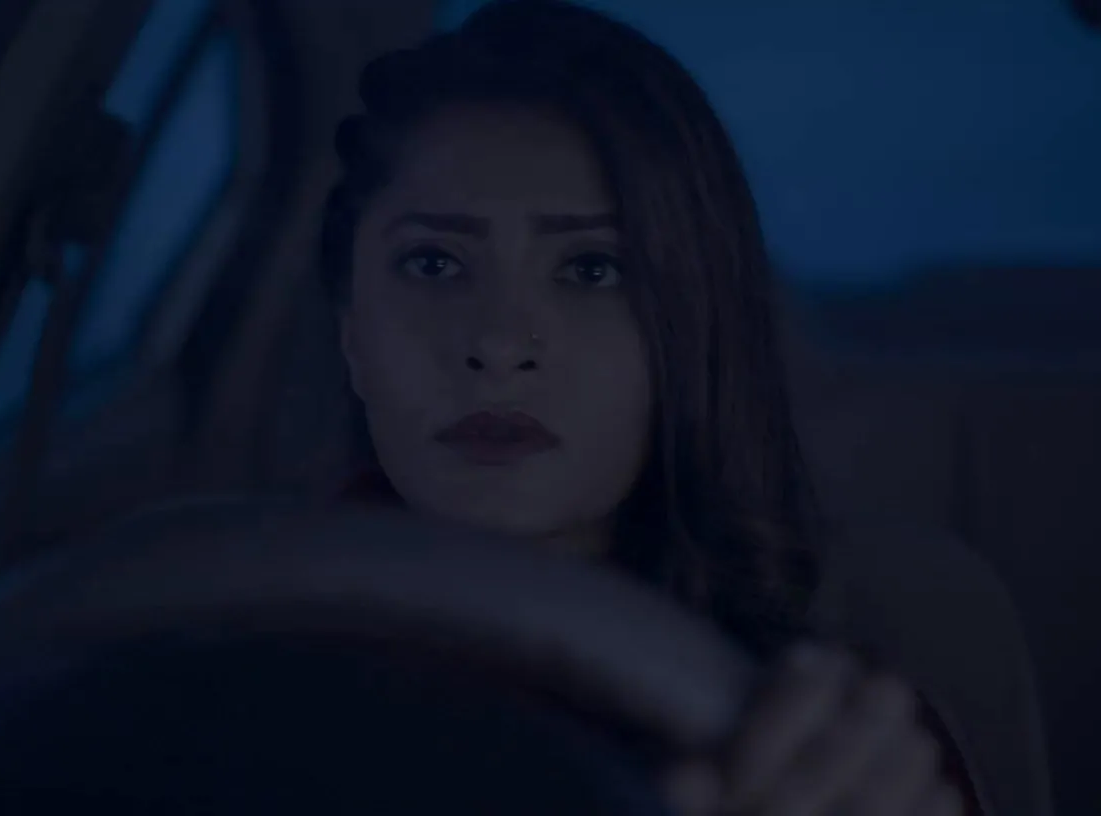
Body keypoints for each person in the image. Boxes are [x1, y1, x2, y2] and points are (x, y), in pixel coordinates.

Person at [321, 1, 978, 813]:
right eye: (434, 263)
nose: (499, 343)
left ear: (689, 335)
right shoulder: (212, 645)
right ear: (352, 332)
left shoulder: (834, 749)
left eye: (592, 270)